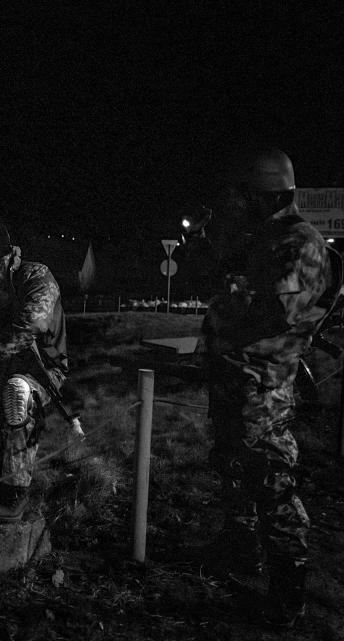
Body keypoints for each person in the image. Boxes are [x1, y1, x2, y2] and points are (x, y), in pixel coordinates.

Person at [202, 147, 339, 627]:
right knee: (236, 472)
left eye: (244, 195)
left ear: (264, 195)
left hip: (264, 390)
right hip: (238, 382)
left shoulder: (300, 242)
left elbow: (273, 311)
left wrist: (229, 300)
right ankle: (241, 553)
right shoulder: (265, 238)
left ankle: (287, 597)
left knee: (275, 490)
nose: (235, 202)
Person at [0, 215, 83, 523]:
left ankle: (16, 493)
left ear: (3, 252)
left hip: (42, 369)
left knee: (17, 394)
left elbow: (31, 325)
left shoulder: (37, 277)